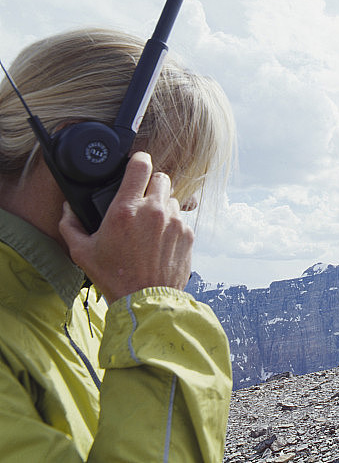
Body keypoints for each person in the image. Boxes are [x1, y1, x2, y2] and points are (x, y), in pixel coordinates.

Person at [0, 29, 236, 461]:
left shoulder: (83, 301)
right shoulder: (127, 301)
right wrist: (157, 307)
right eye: (175, 171)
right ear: (86, 156)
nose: (187, 201)